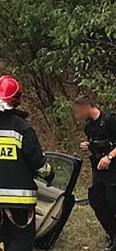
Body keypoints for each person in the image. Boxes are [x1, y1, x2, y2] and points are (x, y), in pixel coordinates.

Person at [0, 75, 54, 251]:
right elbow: (38, 164)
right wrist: (50, 174)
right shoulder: (20, 127)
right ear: (16, 99)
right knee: (22, 240)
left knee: (7, 237)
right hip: (20, 199)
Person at [73, 95, 116, 251]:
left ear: (86, 107)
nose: (76, 115)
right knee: (97, 200)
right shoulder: (89, 126)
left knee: (112, 201)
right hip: (98, 169)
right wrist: (89, 146)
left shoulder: (109, 120)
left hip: (113, 169)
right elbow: (98, 145)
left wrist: (110, 156)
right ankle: (113, 235)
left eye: (78, 111)